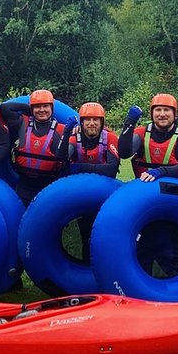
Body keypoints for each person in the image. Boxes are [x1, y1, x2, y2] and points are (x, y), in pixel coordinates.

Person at [118, 94, 178, 276]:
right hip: (146, 200)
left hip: (174, 200)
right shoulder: (141, 132)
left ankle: (176, 281)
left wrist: (161, 172)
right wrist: (129, 123)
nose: (162, 114)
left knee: (173, 247)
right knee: (145, 244)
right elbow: (124, 153)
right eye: (158, 110)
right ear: (152, 113)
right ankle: (142, 283)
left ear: (174, 113)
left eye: (167, 110)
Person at [56, 101, 120, 261]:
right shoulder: (73, 137)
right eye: (87, 120)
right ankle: (85, 266)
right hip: (81, 193)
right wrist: (65, 133)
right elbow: (61, 157)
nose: (92, 123)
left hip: (104, 193)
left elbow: (111, 170)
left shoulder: (110, 138)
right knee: (85, 233)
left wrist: (79, 167)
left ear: (101, 122)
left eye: (95, 120)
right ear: (82, 122)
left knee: (102, 232)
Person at [0, 89, 67, 207]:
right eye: (37, 107)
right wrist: (29, 109)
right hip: (24, 186)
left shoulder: (63, 130)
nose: (42, 110)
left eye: (45, 106)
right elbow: (5, 108)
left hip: (48, 186)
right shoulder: (22, 124)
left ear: (52, 108)